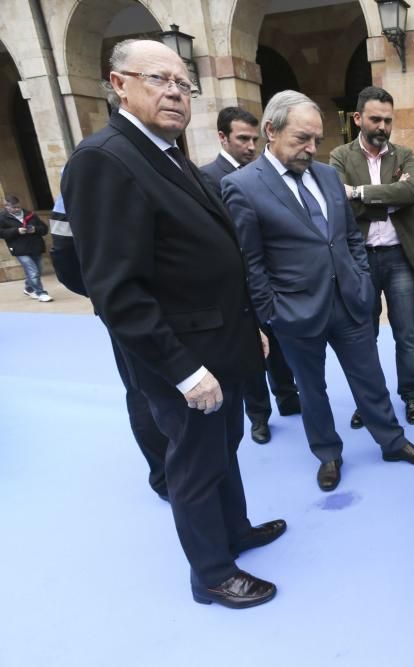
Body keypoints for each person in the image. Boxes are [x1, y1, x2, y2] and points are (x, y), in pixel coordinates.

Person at [61, 39, 284, 609]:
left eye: (183, 83)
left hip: (221, 340)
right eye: (159, 79)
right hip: (183, 357)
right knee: (194, 462)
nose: (174, 93)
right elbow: (117, 289)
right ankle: (211, 573)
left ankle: (235, 531)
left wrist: (248, 326)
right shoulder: (104, 158)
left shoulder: (164, 151)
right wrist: (184, 371)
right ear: (119, 84)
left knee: (224, 447)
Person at [222, 90, 414, 494]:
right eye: (301, 139)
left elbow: (347, 236)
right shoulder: (242, 186)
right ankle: (328, 454)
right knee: (312, 389)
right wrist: (271, 313)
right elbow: (250, 262)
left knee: (370, 377)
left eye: (316, 141)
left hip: (349, 300)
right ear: (271, 130)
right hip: (294, 312)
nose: (311, 149)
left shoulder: (326, 176)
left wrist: (357, 275)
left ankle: (392, 442)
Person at [49, 190, 170, 500]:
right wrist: (107, 295)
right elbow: (64, 254)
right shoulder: (86, 167)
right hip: (124, 306)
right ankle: (164, 476)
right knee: (142, 390)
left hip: (170, 302)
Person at [329, 86, 414, 427]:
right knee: (364, 334)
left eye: (388, 120)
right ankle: (369, 399)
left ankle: (411, 395)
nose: (382, 127)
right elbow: (337, 202)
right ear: (358, 118)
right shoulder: (340, 157)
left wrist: (360, 193)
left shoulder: (403, 154)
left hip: (400, 257)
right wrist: (389, 196)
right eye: (375, 119)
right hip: (360, 260)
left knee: (407, 333)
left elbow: (411, 191)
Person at [200, 106, 301, 445]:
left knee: (281, 344)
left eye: (254, 139)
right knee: (252, 353)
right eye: (242, 138)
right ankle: (258, 416)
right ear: (222, 137)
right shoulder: (206, 178)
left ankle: (288, 397)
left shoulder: (266, 174)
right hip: (235, 287)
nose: (250, 145)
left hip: (271, 278)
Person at [1, 195, 53, 303]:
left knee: (37, 270)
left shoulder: (30, 214)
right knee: (33, 271)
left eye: (18, 207)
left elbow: (44, 229)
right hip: (19, 249)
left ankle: (29, 288)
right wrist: (16, 231)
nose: (17, 209)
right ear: (6, 206)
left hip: (35, 246)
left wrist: (34, 229)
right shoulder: (2, 218)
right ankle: (41, 293)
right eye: (14, 207)